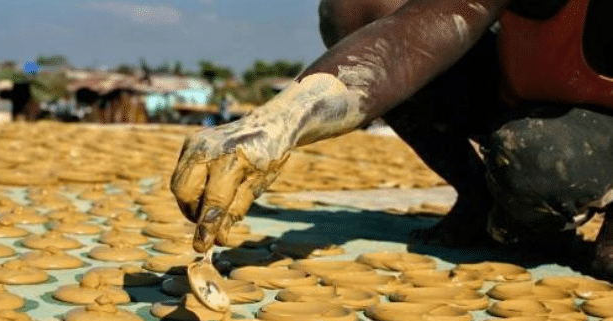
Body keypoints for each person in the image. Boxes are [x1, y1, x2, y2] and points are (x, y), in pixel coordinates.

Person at [171, 0, 613, 280]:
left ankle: (538, 219)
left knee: (537, 163)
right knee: (359, 5)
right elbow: (418, 33)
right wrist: (280, 121)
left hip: (594, 123)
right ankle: (480, 200)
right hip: (522, 90)